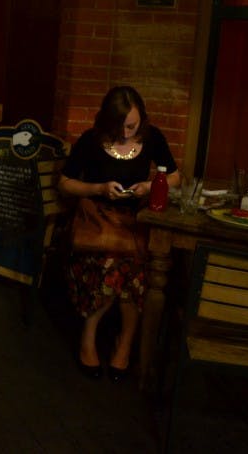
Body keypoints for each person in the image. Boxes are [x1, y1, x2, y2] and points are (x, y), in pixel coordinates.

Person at [57, 85, 179, 382]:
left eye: (132, 126)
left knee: (137, 269)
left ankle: (123, 343)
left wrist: (150, 186)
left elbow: (175, 176)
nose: (126, 132)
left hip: (133, 222)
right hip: (97, 224)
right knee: (110, 263)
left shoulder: (152, 138)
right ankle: (89, 337)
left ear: (141, 120)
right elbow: (65, 183)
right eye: (120, 126)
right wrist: (99, 188)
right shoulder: (91, 140)